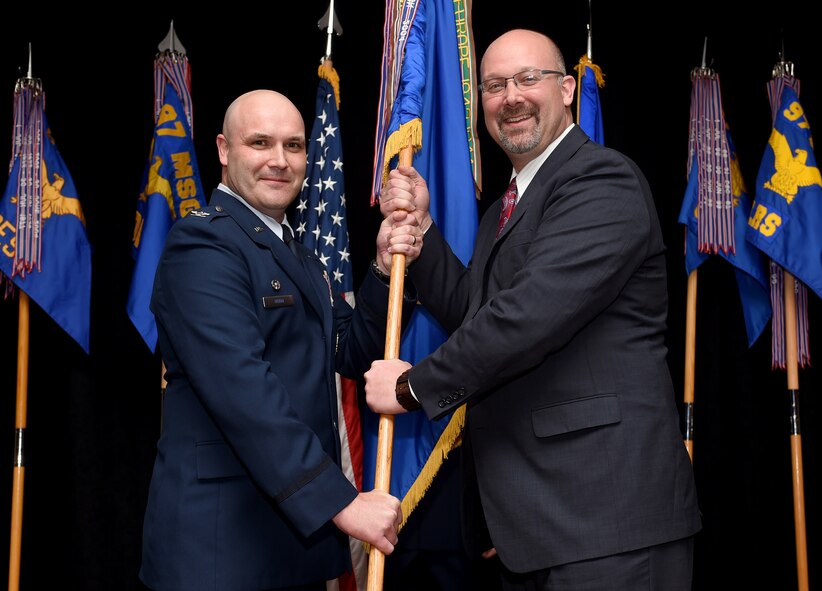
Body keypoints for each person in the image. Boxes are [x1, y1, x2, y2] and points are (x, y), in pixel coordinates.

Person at [364, 29, 702, 591]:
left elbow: (526, 319)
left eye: (528, 79)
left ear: (567, 89)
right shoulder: (508, 204)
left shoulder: (602, 180)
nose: (511, 97)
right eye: (494, 86)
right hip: (536, 522)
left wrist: (411, 388)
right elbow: (477, 312)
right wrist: (422, 229)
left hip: (607, 522)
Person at [139, 89, 424, 591]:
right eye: (260, 143)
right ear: (225, 150)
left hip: (289, 546)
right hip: (221, 548)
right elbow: (243, 392)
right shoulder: (203, 245)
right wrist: (341, 501)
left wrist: (381, 272)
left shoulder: (294, 250)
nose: (279, 160)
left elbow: (347, 351)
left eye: (293, 146)